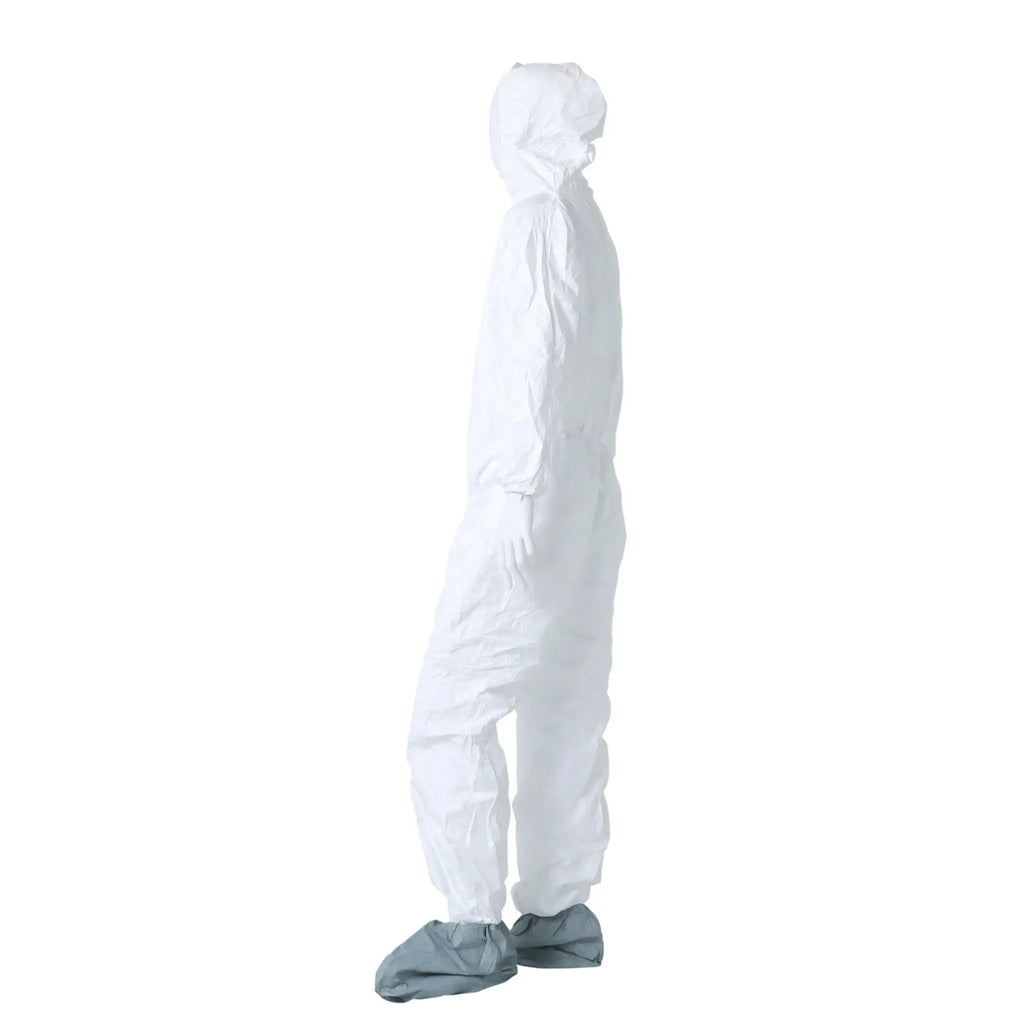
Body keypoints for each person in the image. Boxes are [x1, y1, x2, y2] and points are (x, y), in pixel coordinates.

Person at [376, 61, 625, 1002]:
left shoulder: (535, 222)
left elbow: (530, 363)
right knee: (564, 695)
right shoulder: (589, 222)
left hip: (528, 492)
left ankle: (471, 928)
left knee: (450, 711)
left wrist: (515, 492)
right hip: (590, 494)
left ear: (520, 127)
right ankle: (560, 913)